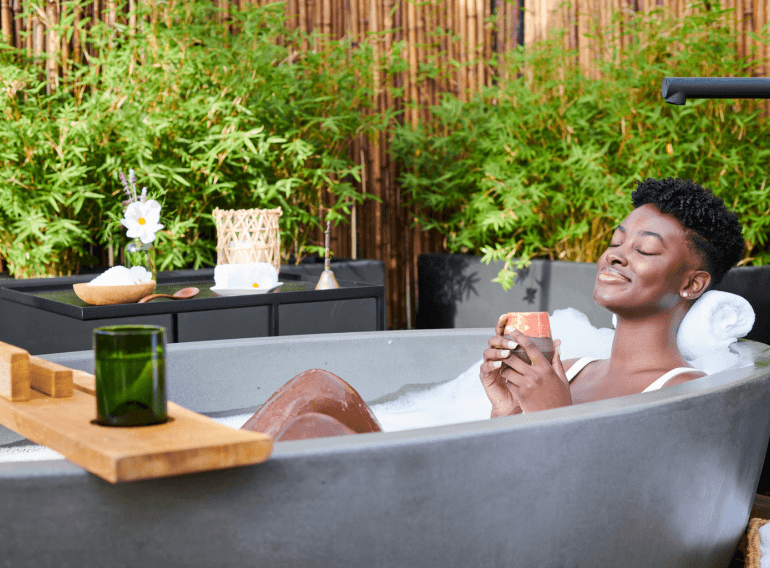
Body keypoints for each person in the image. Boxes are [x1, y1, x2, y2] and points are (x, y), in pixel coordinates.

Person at [244, 177, 745, 439]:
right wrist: (504, 410)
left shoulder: (684, 393)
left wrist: (552, 412)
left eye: (645, 250)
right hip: (473, 500)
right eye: (616, 241)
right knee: (318, 389)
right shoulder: (569, 370)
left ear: (692, 283)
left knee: (312, 428)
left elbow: (618, 503)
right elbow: (507, 465)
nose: (615, 254)